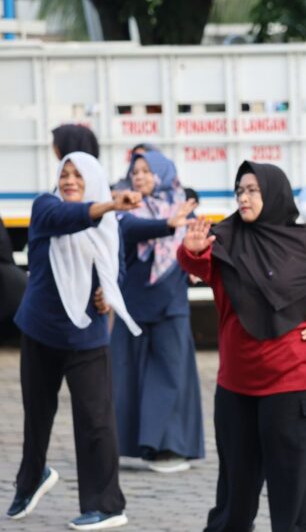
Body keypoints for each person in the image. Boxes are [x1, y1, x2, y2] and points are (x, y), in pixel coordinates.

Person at [176, 161, 306, 532]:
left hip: (299, 384)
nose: (244, 197)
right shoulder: (225, 239)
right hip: (238, 386)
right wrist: (191, 251)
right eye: (239, 191)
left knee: (296, 492)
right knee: (235, 490)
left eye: (253, 190)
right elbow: (198, 267)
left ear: (274, 193)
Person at [7, 152, 142, 530]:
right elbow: (64, 219)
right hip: (40, 329)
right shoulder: (45, 206)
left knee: (96, 421)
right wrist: (110, 202)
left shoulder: (109, 224)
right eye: (64, 174)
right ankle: (31, 479)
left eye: (78, 175)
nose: (69, 180)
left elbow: (118, 267)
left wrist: (108, 294)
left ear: (92, 179)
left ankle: (106, 505)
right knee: (37, 415)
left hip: (86, 335)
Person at [110, 150, 205, 473]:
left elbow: (200, 251)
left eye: (147, 171)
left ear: (163, 173)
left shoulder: (184, 211)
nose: (139, 177)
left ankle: (170, 448)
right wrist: (167, 224)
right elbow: (131, 229)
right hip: (133, 305)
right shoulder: (125, 209)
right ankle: (135, 446)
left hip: (171, 303)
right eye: (135, 171)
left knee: (172, 374)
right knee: (127, 376)